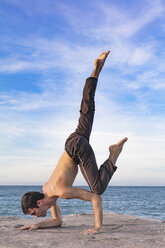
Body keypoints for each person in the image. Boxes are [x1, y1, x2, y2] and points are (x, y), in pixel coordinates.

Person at [18, 51, 127, 235]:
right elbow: (57, 221)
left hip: (77, 149)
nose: (36, 217)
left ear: (39, 203)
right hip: (71, 142)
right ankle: (96, 72)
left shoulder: (61, 192)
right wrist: (37, 226)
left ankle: (113, 155)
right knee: (87, 109)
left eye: (34, 214)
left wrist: (97, 228)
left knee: (97, 189)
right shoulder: (48, 190)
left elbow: (95, 199)